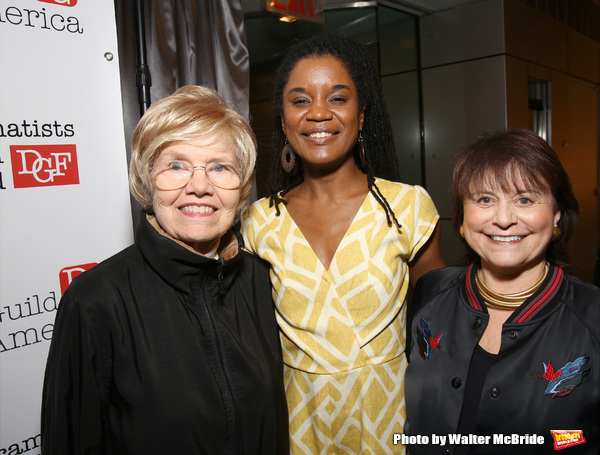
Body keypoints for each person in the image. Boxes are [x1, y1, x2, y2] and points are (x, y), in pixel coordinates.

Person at [41, 86, 289, 454]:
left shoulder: (260, 279)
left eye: (220, 167)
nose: (200, 186)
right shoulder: (95, 301)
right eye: (176, 165)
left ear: (242, 187)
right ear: (145, 179)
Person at [241, 33, 445, 454]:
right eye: (300, 101)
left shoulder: (407, 208)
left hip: (391, 419)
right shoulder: (258, 222)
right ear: (282, 119)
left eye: (337, 98)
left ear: (362, 113)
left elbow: (444, 325)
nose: (318, 113)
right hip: (300, 426)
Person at [404, 128, 599, 454]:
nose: (504, 219)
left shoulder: (593, 318)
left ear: (556, 217)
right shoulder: (430, 293)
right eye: (484, 199)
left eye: (524, 199)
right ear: (463, 219)